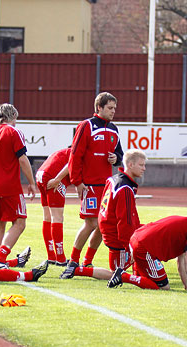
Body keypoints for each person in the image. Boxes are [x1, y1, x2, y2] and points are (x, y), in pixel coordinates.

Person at [61, 92, 124, 278]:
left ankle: (87, 261)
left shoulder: (114, 129)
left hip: (106, 186)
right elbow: (75, 155)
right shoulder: (86, 125)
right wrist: (77, 182)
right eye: (110, 108)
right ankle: (72, 262)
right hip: (89, 185)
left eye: (115, 108)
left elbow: (120, 155)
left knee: (102, 225)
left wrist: (116, 159)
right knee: (91, 223)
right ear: (99, 107)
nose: (113, 112)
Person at [61, 149, 146, 282]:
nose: (144, 168)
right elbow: (125, 220)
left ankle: (83, 263)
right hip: (116, 236)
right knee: (117, 274)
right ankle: (78, 269)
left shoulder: (114, 179)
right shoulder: (125, 188)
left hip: (108, 230)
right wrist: (130, 245)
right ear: (130, 165)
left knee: (148, 233)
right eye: (141, 165)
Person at [0, 103, 37, 269]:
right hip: (10, 186)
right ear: (13, 116)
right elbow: (22, 158)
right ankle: (0, 259)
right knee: (20, 223)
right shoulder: (13, 132)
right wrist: (31, 182)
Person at [107, 216, 187, 292]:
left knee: (146, 281)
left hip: (137, 237)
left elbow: (181, 263)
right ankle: (124, 276)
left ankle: (133, 275)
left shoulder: (186, 229)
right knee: (163, 287)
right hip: (144, 247)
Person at [36, 147, 71, 266]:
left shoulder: (62, 152)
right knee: (57, 217)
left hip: (41, 174)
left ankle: (51, 256)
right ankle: (60, 258)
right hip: (53, 176)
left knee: (47, 216)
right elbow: (71, 163)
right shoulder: (77, 152)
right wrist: (58, 179)